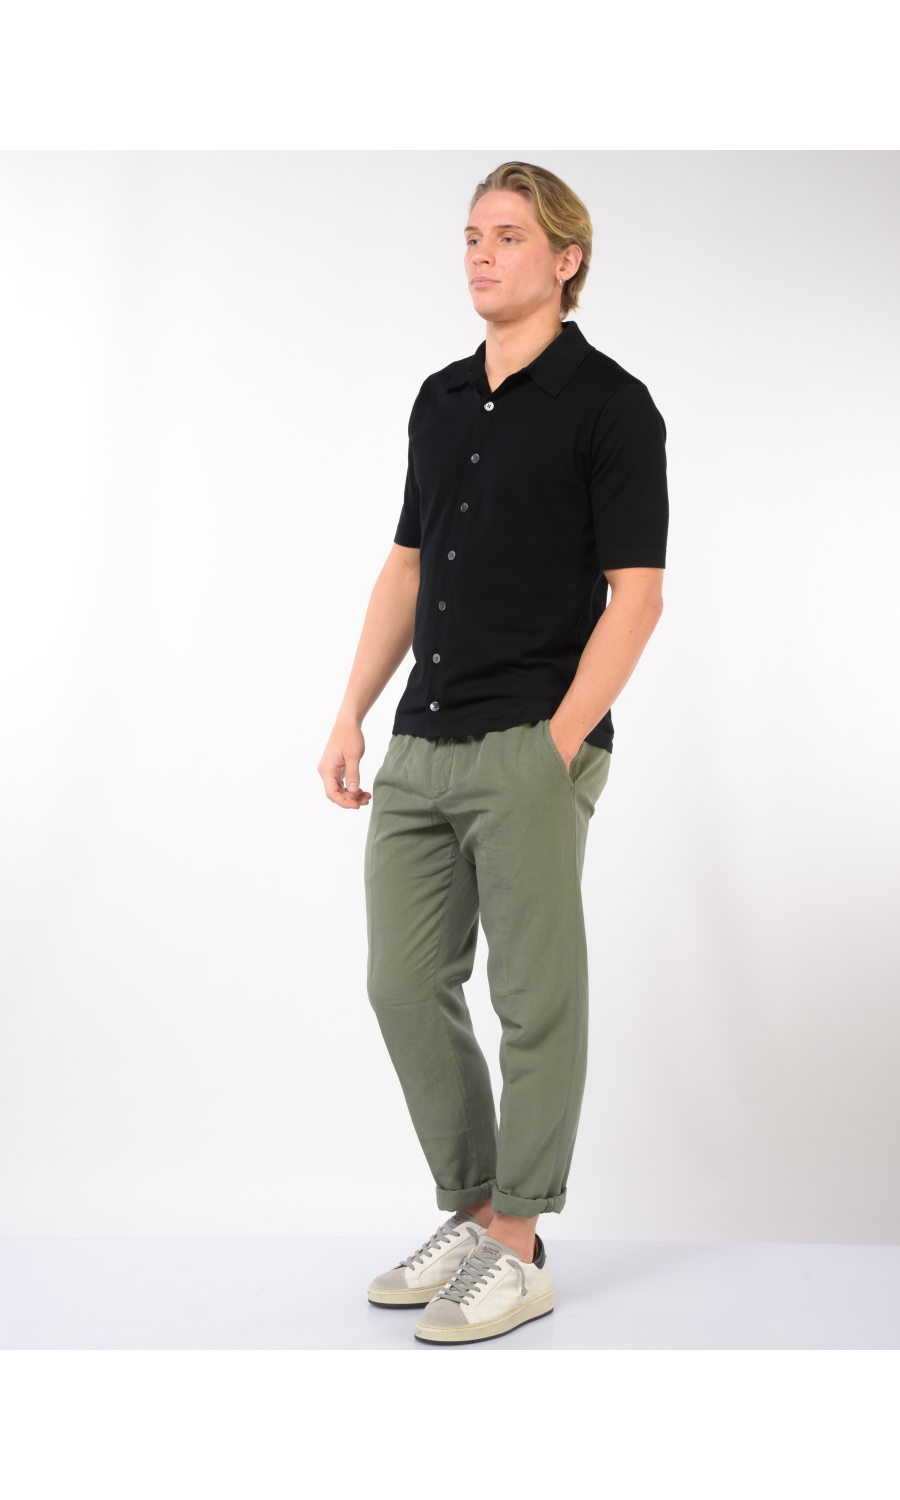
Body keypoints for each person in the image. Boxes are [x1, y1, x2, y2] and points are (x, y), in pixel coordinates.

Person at [318, 160, 669, 1344]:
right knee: (402, 981)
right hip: (422, 739)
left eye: (509, 235)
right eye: (472, 233)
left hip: (530, 739)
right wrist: (352, 709)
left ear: (566, 260)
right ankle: (473, 1213)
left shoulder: (611, 406)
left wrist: (556, 745)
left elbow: (636, 597)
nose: (480, 252)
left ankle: (519, 1242)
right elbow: (407, 567)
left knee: (533, 998)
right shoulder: (439, 398)